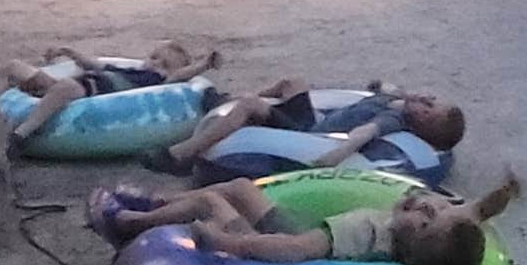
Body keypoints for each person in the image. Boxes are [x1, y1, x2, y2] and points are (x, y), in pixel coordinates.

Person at [88, 175, 519, 265]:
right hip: (299, 225)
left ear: (408, 252)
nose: (428, 207)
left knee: (211, 203)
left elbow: (296, 248)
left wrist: (231, 242)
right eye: (435, 210)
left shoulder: (364, 236)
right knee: (241, 187)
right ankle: (161, 202)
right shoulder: (408, 231)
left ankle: (128, 224)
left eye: (426, 220)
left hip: (281, 239)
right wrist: (505, 192)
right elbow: (476, 212)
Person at [161, 79, 465, 172]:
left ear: (420, 124)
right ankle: (223, 99)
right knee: (294, 83)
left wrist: (338, 153)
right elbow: (384, 86)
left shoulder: (393, 120)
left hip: (306, 136)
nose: (425, 102)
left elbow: (364, 134)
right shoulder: (400, 102)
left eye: (428, 109)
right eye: (431, 100)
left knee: (250, 106)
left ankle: (180, 155)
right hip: (314, 120)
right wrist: (401, 91)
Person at [1, 41, 216, 140]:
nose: (154, 64)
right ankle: (12, 101)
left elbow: (181, 76)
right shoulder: (125, 69)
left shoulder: (156, 82)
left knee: (67, 86)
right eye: (153, 57)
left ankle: (24, 131)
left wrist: (205, 64)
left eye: (164, 64)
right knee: (14, 66)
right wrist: (66, 50)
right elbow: (92, 64)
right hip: (68, 87)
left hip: (88, 93)